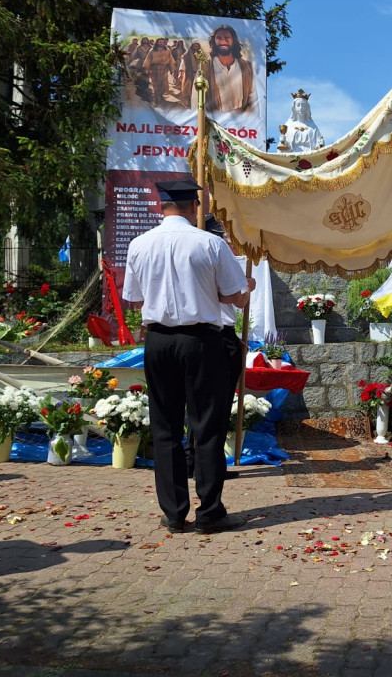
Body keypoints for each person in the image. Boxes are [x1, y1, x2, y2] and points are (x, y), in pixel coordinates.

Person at [122, 178, 254, 534]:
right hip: (201, 340)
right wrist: (246, 291)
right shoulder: (210, 243)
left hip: (159, 340)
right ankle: (209, 511)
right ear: (194, 207)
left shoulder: (139, 244)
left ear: (162, 207)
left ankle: (174, 512)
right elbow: (230, 297)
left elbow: (134, 297)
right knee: (207, 426)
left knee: (164, 426)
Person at [184, 214, 246, 482]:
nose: (225, 241)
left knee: (198, 404)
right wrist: (246, 289)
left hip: (213, 334)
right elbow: (234, 299)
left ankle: (195, 461)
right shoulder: (213, 253)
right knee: (215, 407)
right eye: (222, 236)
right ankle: (208, 466)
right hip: (217, 335)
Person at [201, 24, 254, 112]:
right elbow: (196, 98)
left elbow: (254, 98)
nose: (223, 41)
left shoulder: (248, 67)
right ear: (214, 41)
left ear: (233, 40)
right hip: (213, 120)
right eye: (219, 37)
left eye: (227, 37)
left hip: (241, 121)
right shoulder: (204, 67)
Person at [142, 37, 175, 107]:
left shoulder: (167, 50)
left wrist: (172, 69)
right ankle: (157, 101)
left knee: (164, 85)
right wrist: (147, 70)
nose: (161, 43)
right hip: (155, 69)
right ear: (157, 43)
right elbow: (148, 60)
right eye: (160, 42)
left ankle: (161, 98)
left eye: (162, 42)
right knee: (156, 85)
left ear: (164, 43)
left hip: (164, 69)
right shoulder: (152, 50)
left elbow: (170, 60)